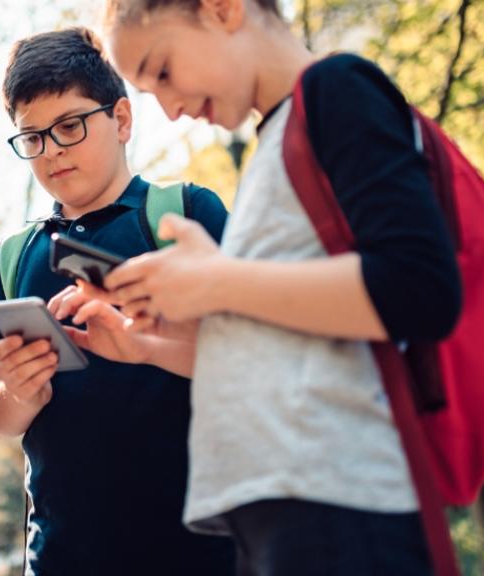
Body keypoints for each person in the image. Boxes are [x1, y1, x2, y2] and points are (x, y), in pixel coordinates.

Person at [97, 0, 462, 573]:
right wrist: (174, 316)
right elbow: (290, 311)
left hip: (341, 505)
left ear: (222, 10)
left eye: (162, 70)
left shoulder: (337, 89)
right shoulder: (276, 141)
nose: (168, 110)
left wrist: (218, 281)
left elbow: (418, 286)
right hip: (284, 512)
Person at [0, 27, 235, 575]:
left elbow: (258, 355)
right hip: (63, 556)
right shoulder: (13, 257)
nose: (53, 152)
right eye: (33, 137)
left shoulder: (184, 215)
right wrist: (18, 393)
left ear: (120, 119)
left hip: (203, 551)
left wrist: (150, 342)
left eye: (69, 126)